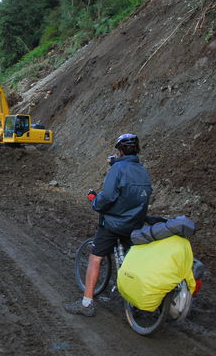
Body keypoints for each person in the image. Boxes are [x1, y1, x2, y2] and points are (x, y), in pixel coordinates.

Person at [64, 133, 153, 316]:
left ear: (120, 151)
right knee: (130, 259)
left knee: (95, 258)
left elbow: (107, 197)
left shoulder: (117, 170)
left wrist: (94, 200)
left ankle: (86, 303)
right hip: (135, 224)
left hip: (113, 224)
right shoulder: (143, 171)